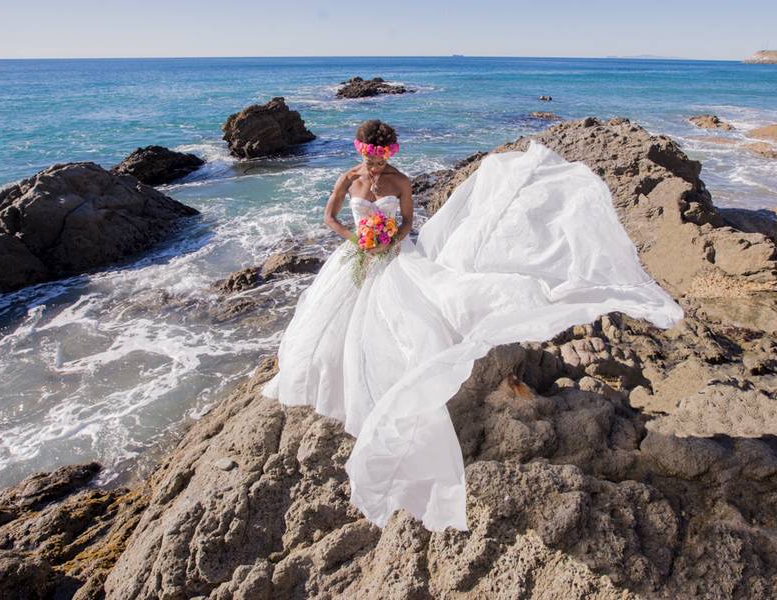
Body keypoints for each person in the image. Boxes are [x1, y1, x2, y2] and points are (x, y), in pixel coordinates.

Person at [261, 118, 684, 532]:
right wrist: (359, 240)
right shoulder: (347, 179)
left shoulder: (402, 181)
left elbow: (409, 222)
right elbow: (331, 218)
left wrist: (390, 237)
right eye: (371, 160)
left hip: (395, 256)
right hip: (356, 259)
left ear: (388, 154)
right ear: (361, 152)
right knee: (333, 324)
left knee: (412, 322)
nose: (375, 168)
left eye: (380, 159)